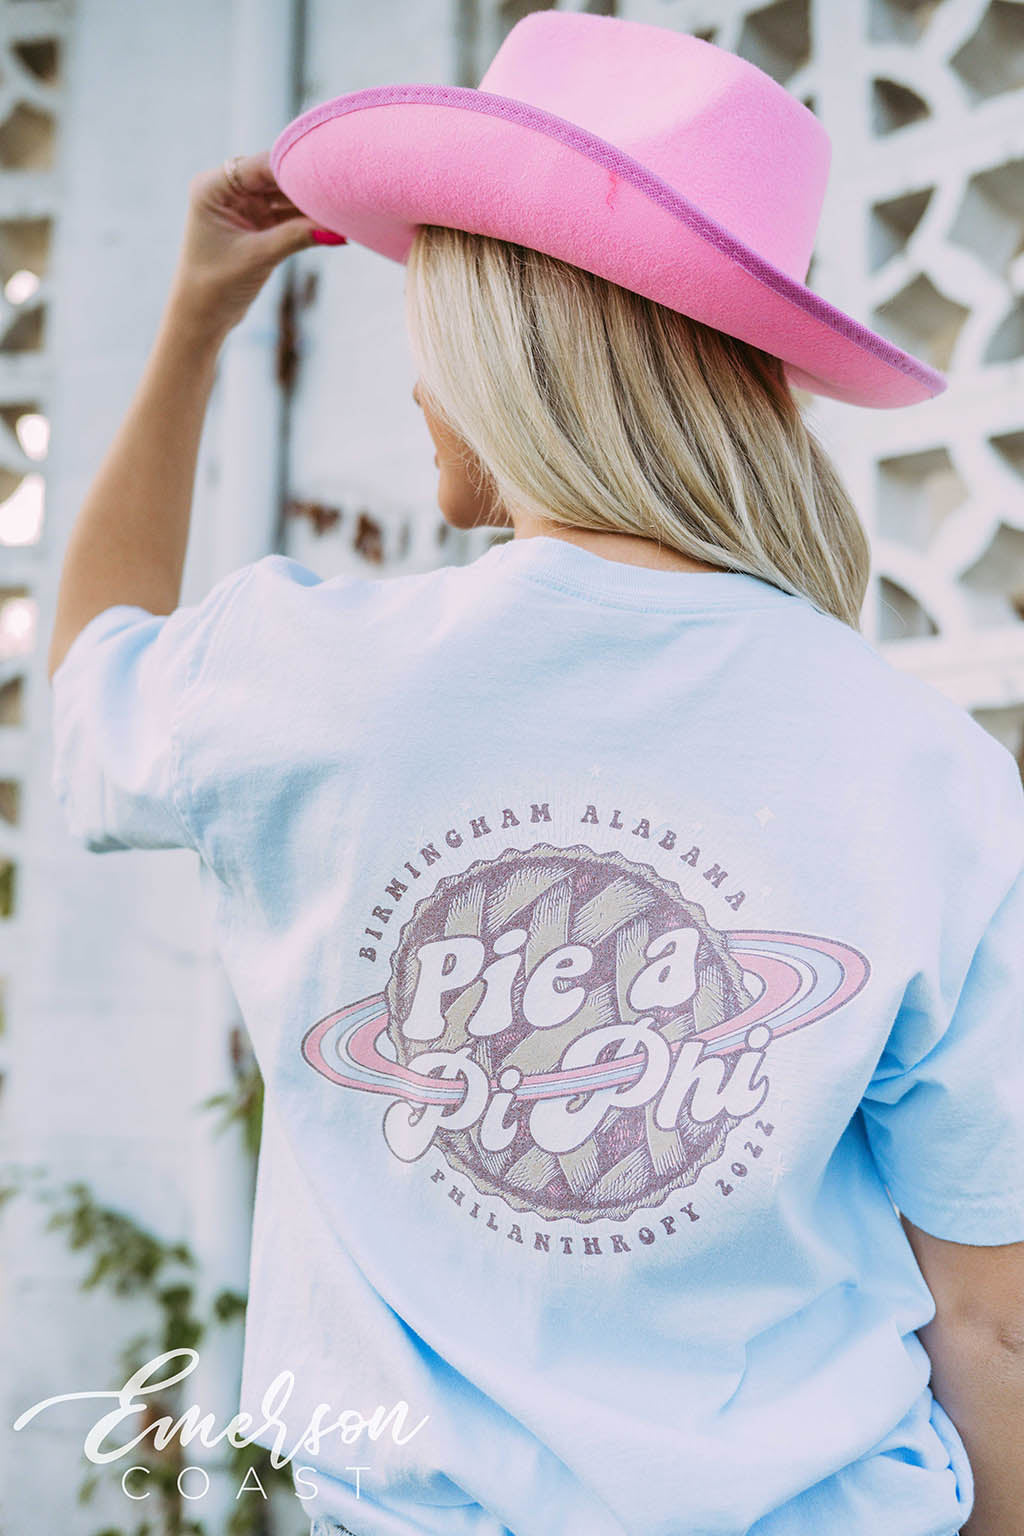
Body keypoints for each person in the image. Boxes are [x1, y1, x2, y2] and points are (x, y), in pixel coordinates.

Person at [47, 12, 1023, 1536]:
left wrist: (192, 328)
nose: (414, 381)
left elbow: (88, 677)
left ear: (502, 341)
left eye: (426, 310)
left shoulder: (295, 681)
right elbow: (993, 1314)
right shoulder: (931, 772)